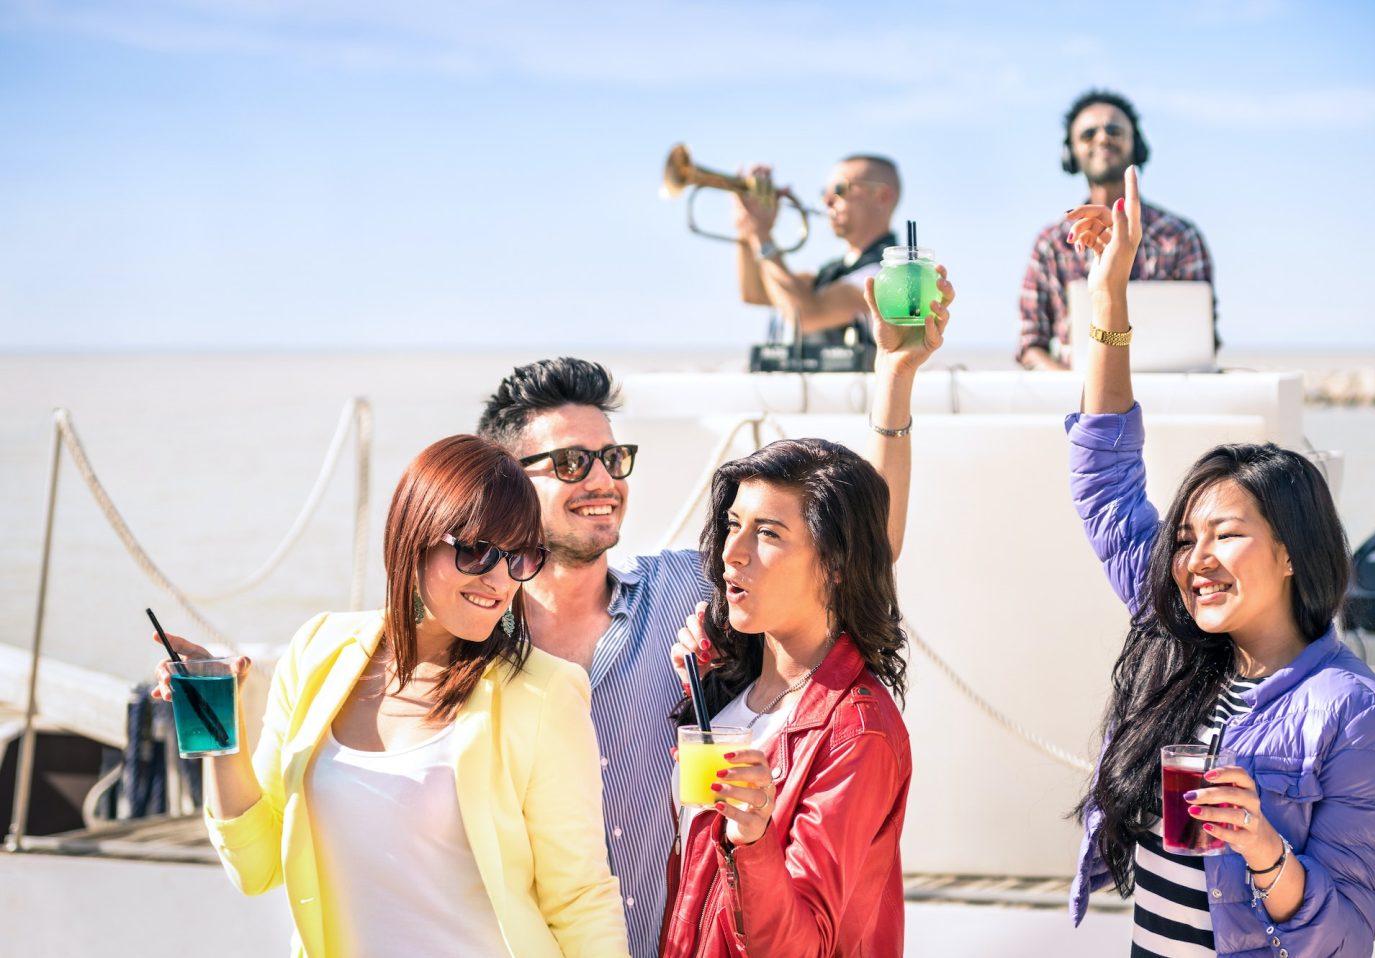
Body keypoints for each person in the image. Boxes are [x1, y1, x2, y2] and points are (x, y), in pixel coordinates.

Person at [476, 273, 950, 957]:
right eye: (574, 462)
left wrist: (893, 380)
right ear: (508, 478)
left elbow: (849, 546)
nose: (603, 480)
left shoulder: (680, 594)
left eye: (612, 457)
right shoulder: (474, 639)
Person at [1065, 167, 1375, 957]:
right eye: (1186, 538)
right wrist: (1109, 301)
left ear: (1291, 551)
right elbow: (1104, 479)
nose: (1194, 559)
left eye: (1225, 533)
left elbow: (1344, 935)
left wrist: (1262, 848)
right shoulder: (1173, 636)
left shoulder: (1356, 713)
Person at [151, 435, 628, 958]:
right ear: (414, 536)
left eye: (520, 558)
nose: (499, 579)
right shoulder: (318, 651)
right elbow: (256, 866)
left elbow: (580, 896)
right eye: (476, 551)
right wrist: (222, 724)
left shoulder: (543, 691)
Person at [660, 429, 912, 957]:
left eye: (768, 534)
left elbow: (803, 947)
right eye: (734, 525)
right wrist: (702, 684)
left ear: (837, 564)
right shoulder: (728, 685)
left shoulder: (857, 734)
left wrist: (755, 842)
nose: (733, 552)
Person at [1018, 90, 1214, 370]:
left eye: (1113, 130)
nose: (1102, 138)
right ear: (1070, 153)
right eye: (1088, 134)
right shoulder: (1051, 244)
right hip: (1078, 402)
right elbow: (1030, 345)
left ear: (1137, 145)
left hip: (1167, 400)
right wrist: (1081, 390)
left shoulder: (1180, 237)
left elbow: (1202, 339)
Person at [734, 154, 902, 366]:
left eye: (840, 189)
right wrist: (747, 229)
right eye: (826, 192)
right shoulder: (835, 271)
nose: (827, 200)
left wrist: (761, 234)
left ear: (882, 197)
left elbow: (804, 315)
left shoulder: (884, 275)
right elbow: (755, 293)